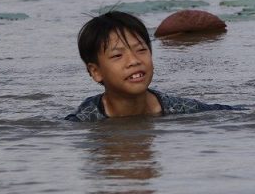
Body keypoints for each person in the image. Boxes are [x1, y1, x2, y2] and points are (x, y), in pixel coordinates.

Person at [66, 11, 240, 122]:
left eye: (141, 50)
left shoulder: (178, 109)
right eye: (118, 55)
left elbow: (228, 112)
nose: (134, 61)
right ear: (96, 72)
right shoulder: (85, 120)